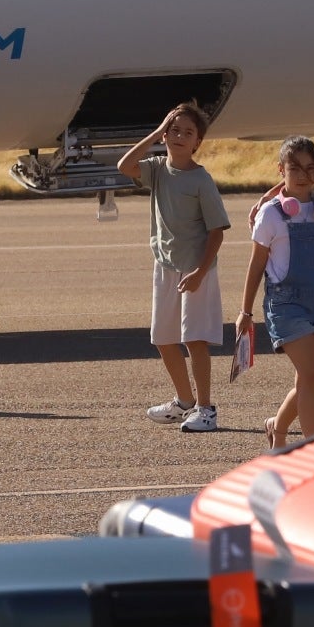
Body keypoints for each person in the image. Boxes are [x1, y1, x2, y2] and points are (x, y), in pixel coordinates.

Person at [117, 101, 229, 432]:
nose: (179, 136)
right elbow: (125, 165)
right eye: (174, 130)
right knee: (164, 339)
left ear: (197, 142)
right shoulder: (156, 168)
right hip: (165, 265)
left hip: (196, 268)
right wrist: (154, 133)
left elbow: (217, 232)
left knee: (194, 339)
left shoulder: (200, 180)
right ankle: (184, 402)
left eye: (188, 132)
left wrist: (198, 272)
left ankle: (206, 409)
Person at [240, 138, 314, 447]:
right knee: (311, 377)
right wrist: (245, 311)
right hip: (285, 304)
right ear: (281, 170)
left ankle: (277, 428)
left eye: (309, 168)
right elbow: (255, 266)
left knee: (308, 379)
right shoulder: (271, 215)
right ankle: (312, 452)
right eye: (295, 168)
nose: (303, 175)